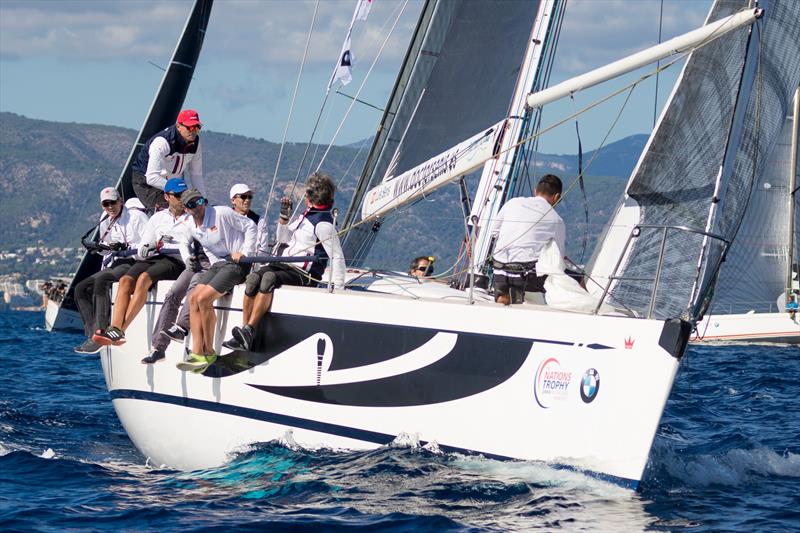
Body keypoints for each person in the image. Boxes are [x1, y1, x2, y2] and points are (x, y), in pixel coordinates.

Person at [222, 172, 346, 353]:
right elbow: (283, 238)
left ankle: (249, 330)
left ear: (309, 196)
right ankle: (244, 333)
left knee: (268, 278)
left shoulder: (323, 223)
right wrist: (283, 220)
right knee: (252, 279)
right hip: (286, 265)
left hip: (304, 273)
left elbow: (337, 256)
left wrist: (339, 288)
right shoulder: (306, 216)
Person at [93, 179, 190, 346]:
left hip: (177, 260)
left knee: (144, 279)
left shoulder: (192, 217)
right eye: (178, 195)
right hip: (157, 257)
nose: (182, 198)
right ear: (167, 197)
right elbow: (146, 243)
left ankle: (120, 330)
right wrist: (146, 247)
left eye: (184, 194)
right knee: (125, 280)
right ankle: (114, 328)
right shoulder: (158, 217)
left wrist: (166, 243)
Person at [176, 189, 257, 371]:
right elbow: (208, 247)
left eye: (200, 202)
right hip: (219, 264)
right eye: (191, 204)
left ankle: (209, 351)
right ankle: (197, 352)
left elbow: (250, 226)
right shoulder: (191, 226)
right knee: (193, 298)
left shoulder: (221, 213)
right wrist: (214, 266)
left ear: (204, 201)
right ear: (186, 208)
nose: (197, 207)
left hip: (237, 264)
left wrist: (245, 253)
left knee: (204, 299)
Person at [73, 187, 149, 354]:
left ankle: (101, 331)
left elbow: (148, 245)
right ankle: (93, 335)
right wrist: (98, 248)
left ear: (120, 201)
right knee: (80, 288)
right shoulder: (105, 219)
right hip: (117, 261)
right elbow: (106, 248)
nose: (110, 207)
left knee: (102, 280)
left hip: (134, 261)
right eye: (106, 204)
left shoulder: (137, 217)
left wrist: (126, 246)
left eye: (113, 202)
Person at [490, 174, 566, 306]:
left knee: (505, 290)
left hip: (500, 267)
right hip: (526, 274)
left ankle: (503, 298)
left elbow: (494, 232)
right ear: (557, 197)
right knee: (575, 278)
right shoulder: (556, 219)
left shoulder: (512, 203)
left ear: (535, 191)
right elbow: (559, 256)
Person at [130, 109, 205, 212]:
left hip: (171, 180)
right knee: (169, 211)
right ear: (178, 126)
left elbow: (196, 174)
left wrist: (203, 200)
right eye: (190, 127)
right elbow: (151, 178)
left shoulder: (196, 143)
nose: (193, 132)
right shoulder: (162, 142)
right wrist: (179, 190)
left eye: (197, 128)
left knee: (189, 209)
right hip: (146, 181)